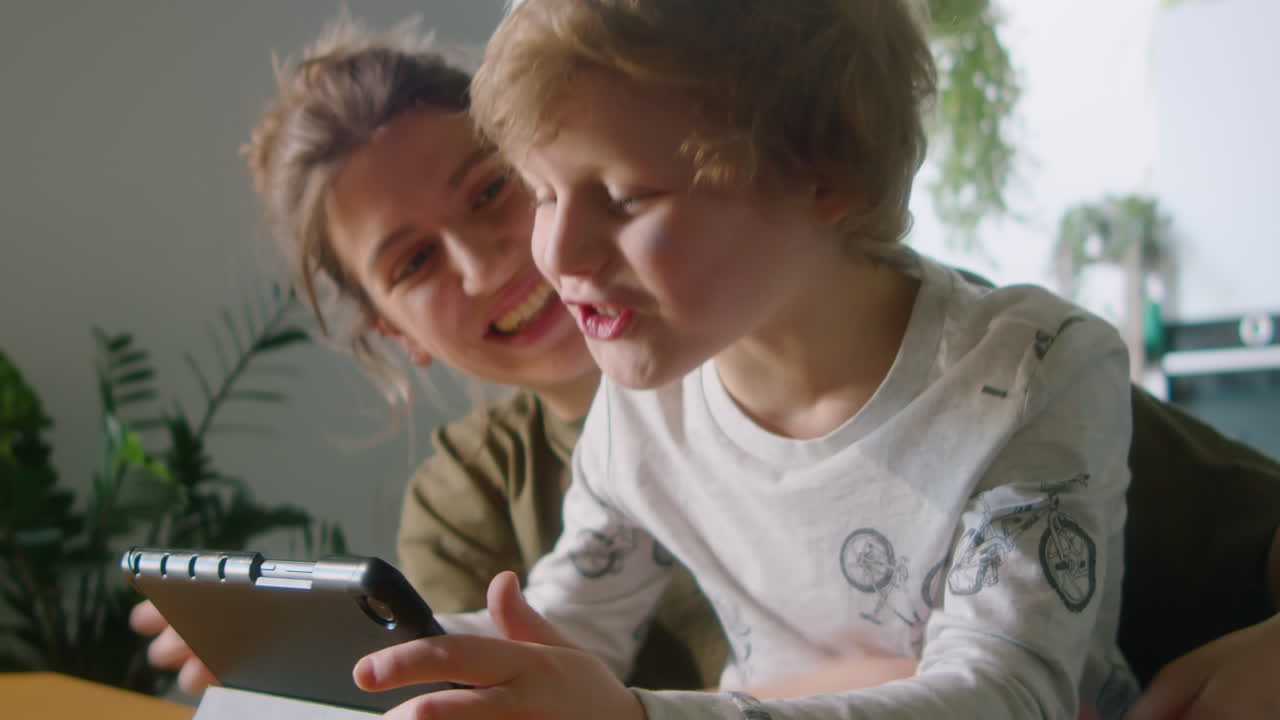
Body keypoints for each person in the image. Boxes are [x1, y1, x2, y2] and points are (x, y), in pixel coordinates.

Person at [129, 12, 1280, 720]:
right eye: (539, 193)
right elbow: (560, 628)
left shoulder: (1020, 373)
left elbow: (1006, 692)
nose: (536, 255)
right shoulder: (631, 423)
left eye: (614, 198)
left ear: (818, 171)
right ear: (390, 330)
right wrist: (339, 659)